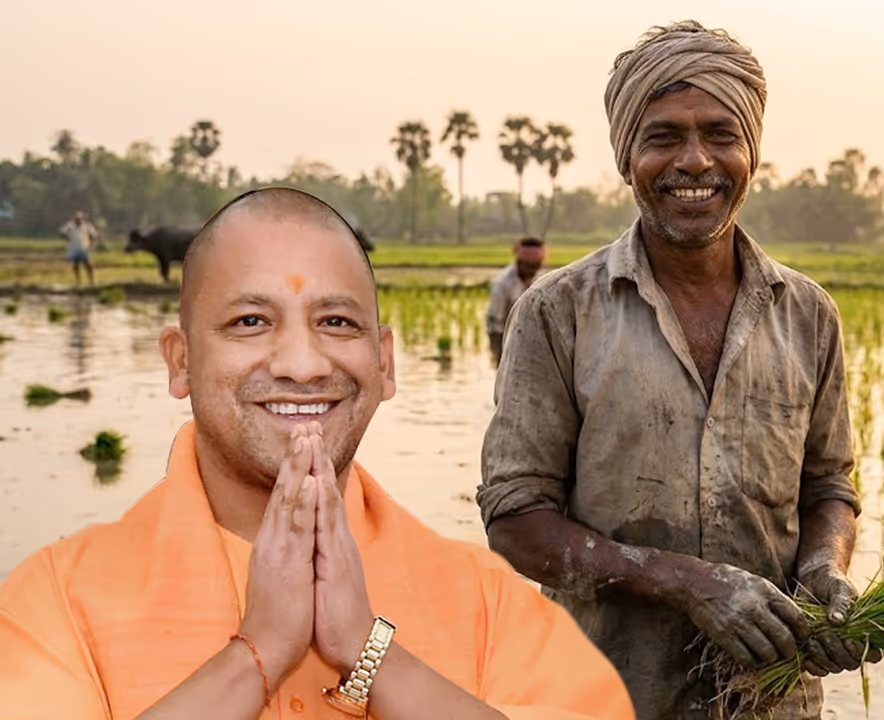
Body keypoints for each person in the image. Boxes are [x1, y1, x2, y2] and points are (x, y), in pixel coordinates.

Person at [0, 187, 635, 720]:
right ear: (181, 360)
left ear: (383, 365)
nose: (302, 365)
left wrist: (369, 652)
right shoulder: (54, 600)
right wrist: (257, 654)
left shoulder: (493, 604)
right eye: (250, 321)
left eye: (336, 322)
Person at [478, 21, 882, 720]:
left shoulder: (808, 315)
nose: (695, 161)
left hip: (771, 699)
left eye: (720, 135)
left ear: (751, 152)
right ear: (626, 156)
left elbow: (830, 486)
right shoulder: (558, 312)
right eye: (663, 137)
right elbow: (515, 520)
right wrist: (684, 582)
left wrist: (825, 567)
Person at [486, 237, 546, 364]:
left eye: (536, 266)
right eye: (529, 265)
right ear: (520, 261)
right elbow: (494, 321)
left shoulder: (544, 279)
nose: (532, 270)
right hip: (508, 341)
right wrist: (501, 354)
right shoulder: (502, 283)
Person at [60, 210, 98, 287]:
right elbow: (62, 232)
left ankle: (92, 281)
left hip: (84, 247)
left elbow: (94, 235)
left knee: (88, 264)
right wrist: (67, 238)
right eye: (77, 219)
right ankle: (78, 281)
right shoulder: (70, 225)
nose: (78, 220)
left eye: (80, 218)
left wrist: (90, 243)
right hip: (73, 247)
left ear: (82, 218)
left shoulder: (87, 225)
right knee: (75, 265)